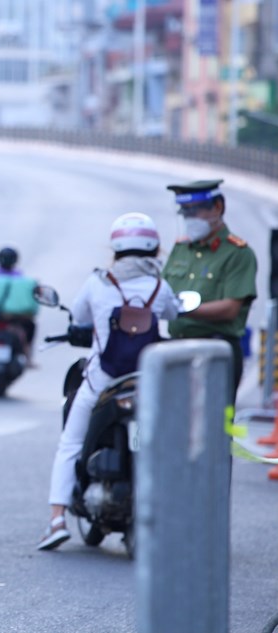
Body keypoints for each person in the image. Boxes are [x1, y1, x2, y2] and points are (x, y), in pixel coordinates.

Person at [37, 212, 179, 551]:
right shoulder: (161, 286)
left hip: (103, 380)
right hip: (147, 383)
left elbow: (81, 317)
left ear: (115, 249)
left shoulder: (99, 283)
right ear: (155, 248)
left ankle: (57, 520)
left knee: (70, 443)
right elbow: (173, 315)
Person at [162, 179, 257, 396]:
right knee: (170, 424)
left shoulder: (238, 253)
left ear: (217, 208)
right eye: (185, 212)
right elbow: (162, 291)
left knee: (214, 426)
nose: (189, 219)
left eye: (194, 211)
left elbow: (230, 308)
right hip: (177, 350)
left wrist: (180, 309)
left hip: (215, 353)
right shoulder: (181, 249)